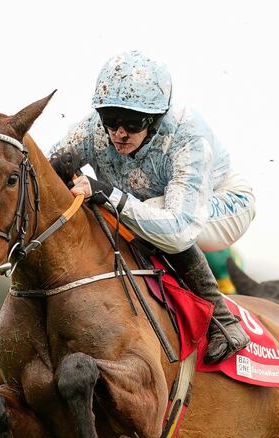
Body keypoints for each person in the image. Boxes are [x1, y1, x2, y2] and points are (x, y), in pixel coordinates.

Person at [47, 50, 254, 365]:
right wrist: (59, 168)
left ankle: (223, 322)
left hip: (223, 204)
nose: (119, 133)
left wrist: (105, 192)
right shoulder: (93, 129)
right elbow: (49, 174)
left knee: (151, 210)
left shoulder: (187, 138)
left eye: (131, 122)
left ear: (155, 119)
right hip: (152, 207)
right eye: (110, 120)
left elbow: (178, 232)